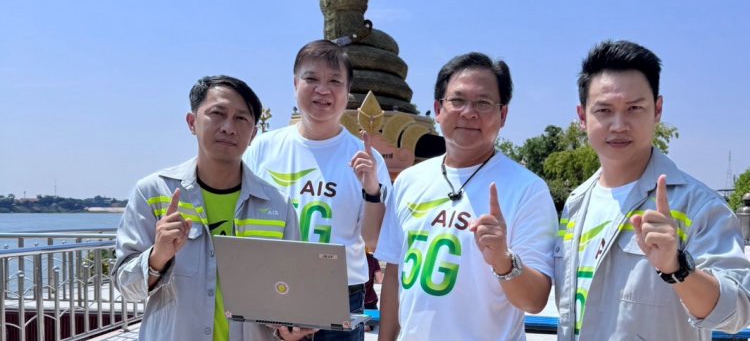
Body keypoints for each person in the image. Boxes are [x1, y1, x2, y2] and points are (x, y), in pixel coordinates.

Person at [555, 40, 750, 340]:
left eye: (634, 108)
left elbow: (736, 311)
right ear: (583, 117)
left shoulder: (697, 205)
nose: (619, 125)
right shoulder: (576, 204)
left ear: (657, 110)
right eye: (604, 110)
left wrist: (677, 269)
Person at [375, 52, 557, 340]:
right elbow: (394, 274)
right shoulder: (409, 180)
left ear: (503, 115)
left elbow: (534, 300)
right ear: (438, 109)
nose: (469, 112)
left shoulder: (528, 190)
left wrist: (503, 260)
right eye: (457, 100)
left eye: (483, 103)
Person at [113, 75, 306, 341]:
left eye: (241, 118)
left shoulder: (278, 205)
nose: (228, 127)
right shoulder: (153, 193)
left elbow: (289, 294)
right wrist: (158, 257)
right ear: (192, 122)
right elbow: (126, 288)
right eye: (217, 113)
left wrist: (290, 331)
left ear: (253, 133)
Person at [245, 40, 392, 341]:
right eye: (311, 78)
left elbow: (374, 241)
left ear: (348, 91)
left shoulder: (368, 159)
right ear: (295, 83)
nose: (322, 90)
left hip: (339, 293)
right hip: (274, 286)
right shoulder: (263, 148)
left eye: (335, 81)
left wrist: (371, 189)